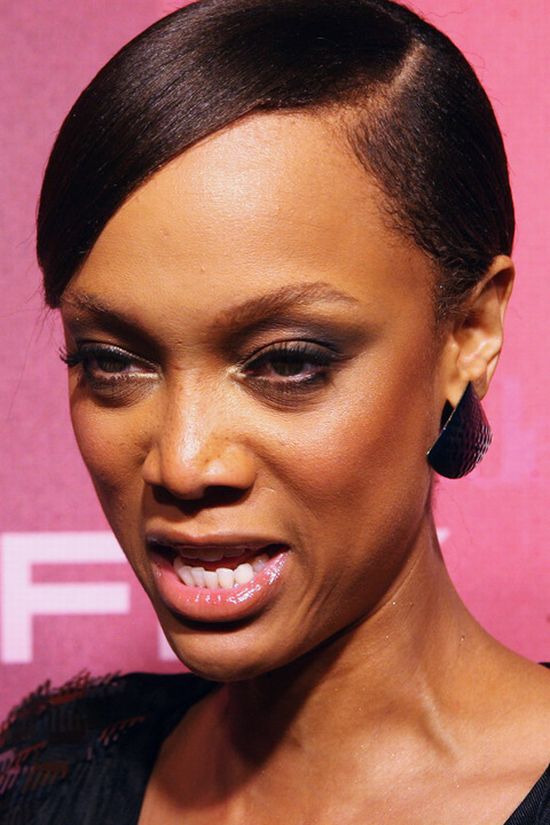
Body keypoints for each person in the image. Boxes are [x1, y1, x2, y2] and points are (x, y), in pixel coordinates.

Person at [1, 0, 549, 822]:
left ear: (468, 333)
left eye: (288, 362)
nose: (183, 462)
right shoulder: (44, 771)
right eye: (112, 360)